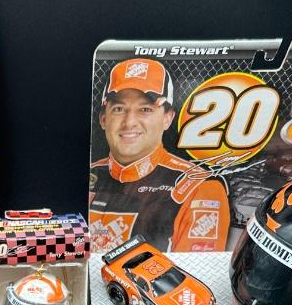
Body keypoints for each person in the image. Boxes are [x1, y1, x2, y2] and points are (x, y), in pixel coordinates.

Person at [89, 58, 230, 253]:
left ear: (167, 118)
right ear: (103, 119)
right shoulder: (88, 175)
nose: (129, 122)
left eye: (145, 109)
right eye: (119, 109)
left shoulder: (198, 187)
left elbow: (195, 271)